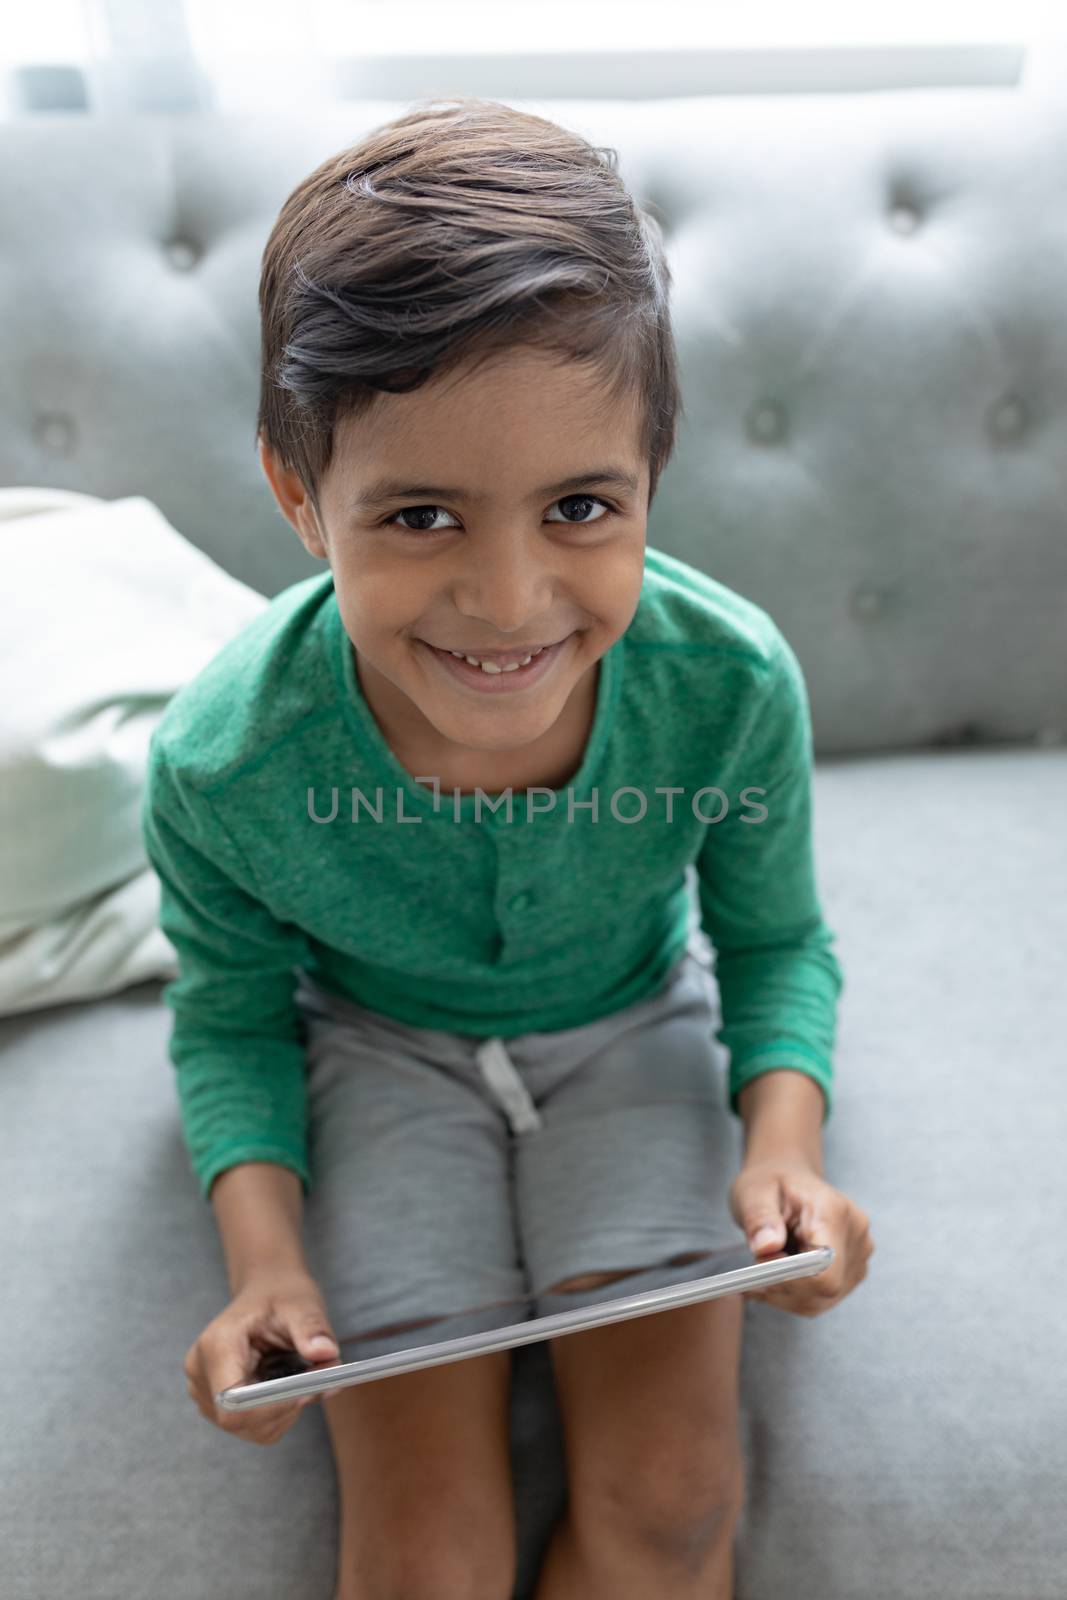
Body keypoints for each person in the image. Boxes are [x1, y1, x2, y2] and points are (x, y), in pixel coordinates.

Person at [142, 95, 874, 1600]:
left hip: (632, 1039)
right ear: (300, 496)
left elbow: (777, 942)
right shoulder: (223, 763)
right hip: (378, 1055)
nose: (509, 599)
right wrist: (266, 1266)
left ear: (653, 477)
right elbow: (227, 1017)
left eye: (581, 506)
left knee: (675, 1501)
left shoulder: (729, 686)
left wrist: (783, 1148)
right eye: (418, 515)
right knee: (421, 1560)